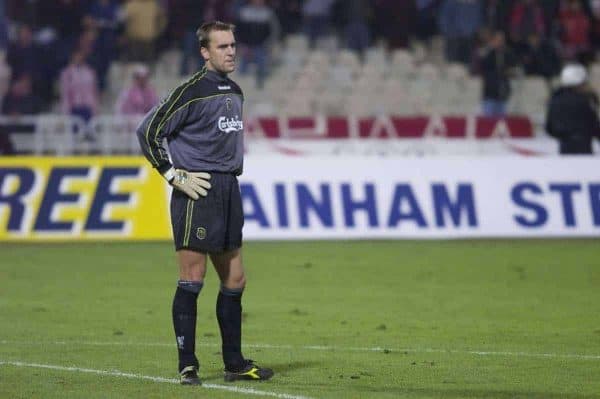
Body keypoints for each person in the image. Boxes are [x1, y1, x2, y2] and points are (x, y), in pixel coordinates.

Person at [135, 21, 274, 385]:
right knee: (192, 279)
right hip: (198, 190)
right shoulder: (190, 91)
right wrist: (172, 174)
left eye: (233, 45)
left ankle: (234, 363)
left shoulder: (236, 91)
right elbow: (147, 131)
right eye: (223, 46)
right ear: (205, 52)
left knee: (236, 280)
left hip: (229, 189)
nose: (231, 51)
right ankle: (188, 365)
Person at [545, 63, 600, 154]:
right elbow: (593, 125)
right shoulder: (585, 100)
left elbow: (549, 128)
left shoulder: (555, 99)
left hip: (564, 147)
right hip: (583, 148)